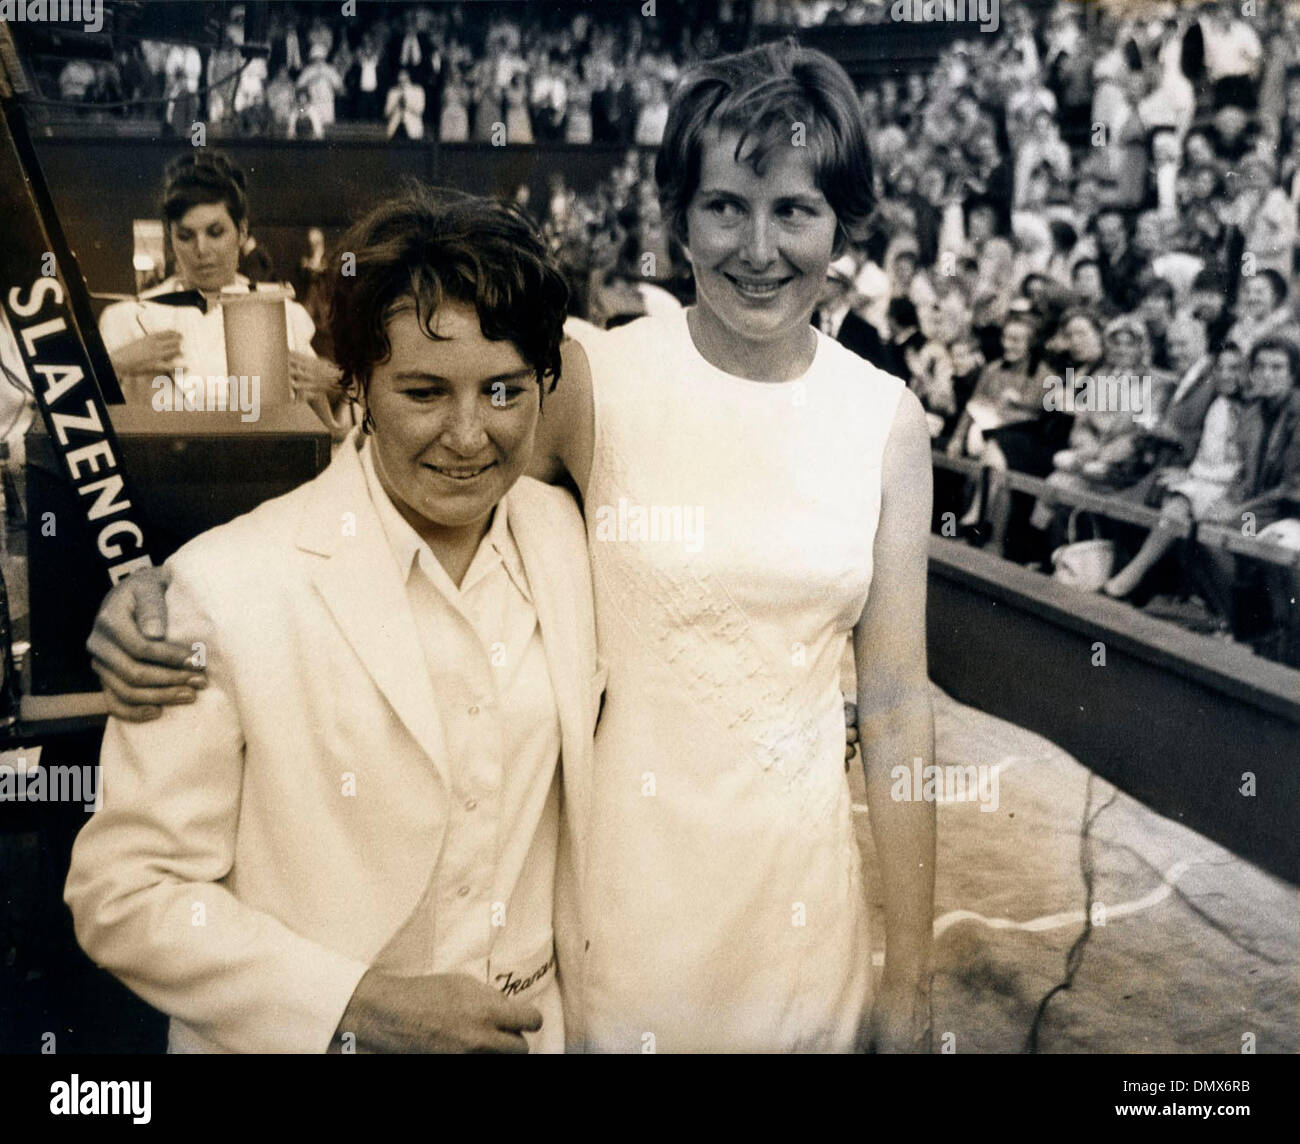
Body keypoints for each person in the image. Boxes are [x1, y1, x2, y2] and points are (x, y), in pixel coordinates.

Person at [87, 43, 936, 1054]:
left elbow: (893, 700)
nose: (758, 246)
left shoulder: (872, 427)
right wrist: (153, 595)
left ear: (841, 219)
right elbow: (407, 474)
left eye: (794, 209)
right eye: (723, 206)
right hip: (617, 924)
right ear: (678, 217)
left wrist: (913, 973)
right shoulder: (595, 383)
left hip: (787, 912)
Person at [67, 189, 594, 1054]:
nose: (468, 436)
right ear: (356, 387)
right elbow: (126, 892)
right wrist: (357, 1004)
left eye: (502, 391)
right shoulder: (219, 589)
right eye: (424, 392)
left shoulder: (573, 543)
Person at [97, 153, 342, 427]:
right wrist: (114, 365)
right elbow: (80, 426)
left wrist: (334, 379)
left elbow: (324, 431)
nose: (201, 250)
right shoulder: (127, 318)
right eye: (186, 236)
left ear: (242, 231)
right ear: (171, 238)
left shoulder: (282, 312)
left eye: (215, 232)